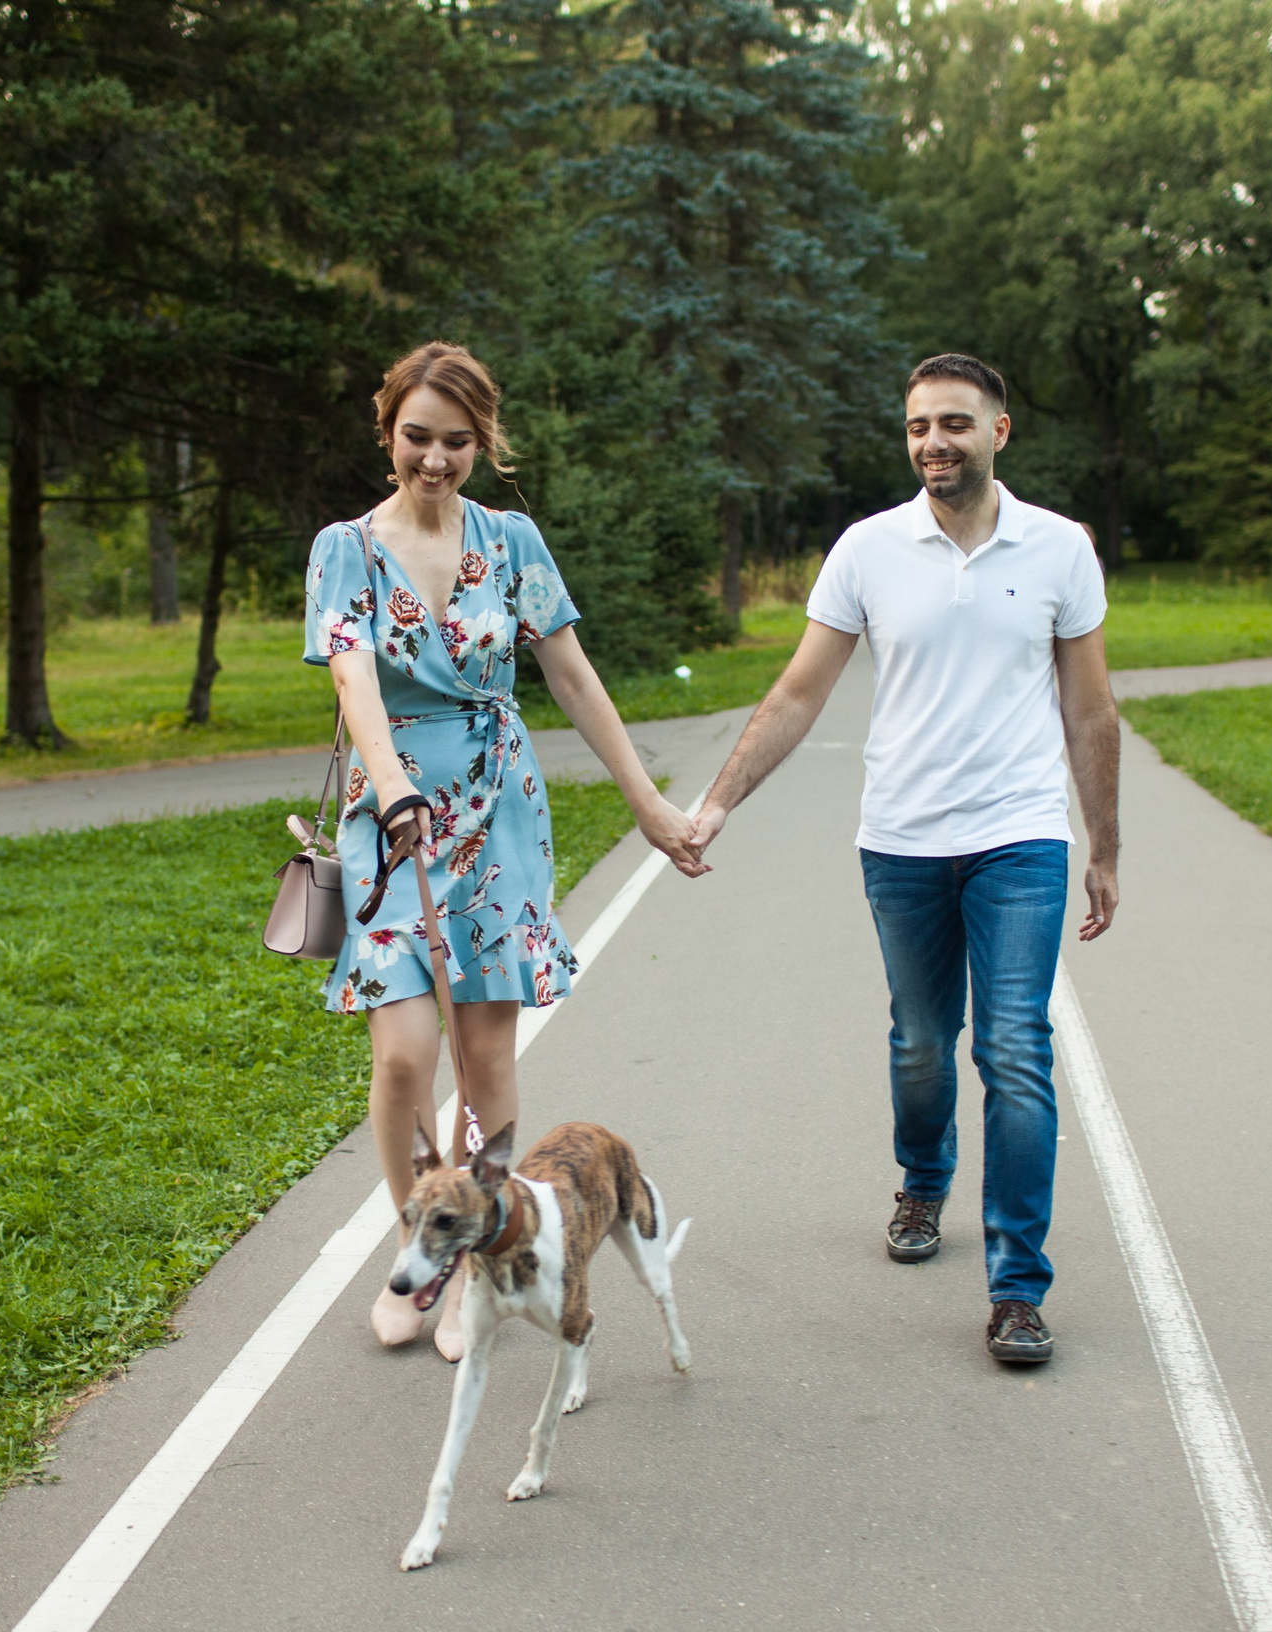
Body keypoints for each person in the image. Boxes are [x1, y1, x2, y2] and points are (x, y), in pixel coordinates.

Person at [678, 353, 1122, 1366]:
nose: (934, 443)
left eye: (955, 424)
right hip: (903, 842)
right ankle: (922, 1179)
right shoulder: (867, 550)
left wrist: (1105, 843)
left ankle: (1016, 1288)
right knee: (922, 1043)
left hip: (1019, 837)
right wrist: (716, 803)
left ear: (998, 432)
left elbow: (1089, 707)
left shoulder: (1059, 550)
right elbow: (797, 693)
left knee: (1013, 1050)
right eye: (919, 426)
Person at [306, 341, 700, 1359]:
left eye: (455, 442)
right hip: (390, 817)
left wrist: (648, 803)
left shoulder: (512, 541)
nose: (433, 459)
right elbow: (352, 681)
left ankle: (482, 1258)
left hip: (496, 808)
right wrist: (392, 790)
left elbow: (569, 674)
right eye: (415, 438)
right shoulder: (343, 547)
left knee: (486, 1060)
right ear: (386, 429)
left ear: (482, 442)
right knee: (403, 1058)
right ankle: (417, 1252)